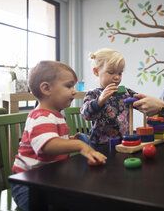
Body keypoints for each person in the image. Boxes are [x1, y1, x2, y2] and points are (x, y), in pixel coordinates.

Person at [11, 61, 107, 211]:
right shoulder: (40, 117)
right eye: (69, 86)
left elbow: (55, 140)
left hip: (47, 179)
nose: (73, 91)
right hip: (27, 185)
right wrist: (79, 145)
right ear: (46, 88)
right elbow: (47, 146)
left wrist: (71, 140)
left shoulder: (56, 116)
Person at [81, 48, 136, 146]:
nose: (117, 77)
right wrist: (99, 101)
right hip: (100, 144)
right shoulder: (93, 94)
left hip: (123, 141)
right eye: (111, 72)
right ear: (96, 72)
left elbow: (141, 101)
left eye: (120, 73)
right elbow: (86, 115)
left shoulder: (126, 92)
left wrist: (150, 104)